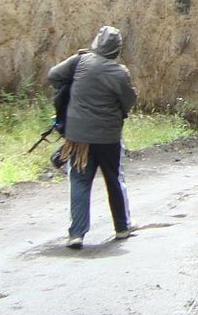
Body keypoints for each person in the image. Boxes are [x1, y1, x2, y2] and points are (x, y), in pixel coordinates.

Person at [48, 25, 137, 250]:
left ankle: (77, 233)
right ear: (117, 49)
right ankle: (122, 228)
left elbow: (53, 76)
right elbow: (129, 101)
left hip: (78, 139)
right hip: (109, 138)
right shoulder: (120, 73)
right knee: (114, 180)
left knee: (79, 181)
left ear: (97, 43)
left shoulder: (79, 62)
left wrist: (69, 95)